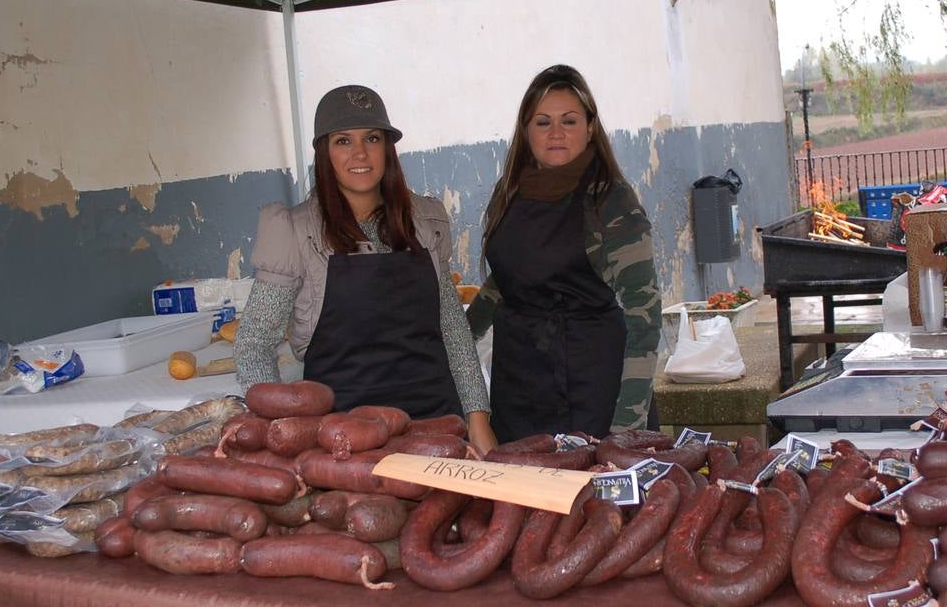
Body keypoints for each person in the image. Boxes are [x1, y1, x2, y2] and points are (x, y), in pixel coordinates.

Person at [235, 84, 496, 451]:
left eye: (372, 138)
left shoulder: (424, 221)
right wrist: (280, 427)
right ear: (324, 152)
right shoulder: (296, 232)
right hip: (341, 442)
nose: (360, 152)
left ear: (387, 148)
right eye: (343, 141)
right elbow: (254, 344)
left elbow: (452, 329)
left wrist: (478, 417)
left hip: (436, 427)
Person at [467, 64, 660, 443]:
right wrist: (458, 340)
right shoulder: (507, 195)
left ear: (590, 128)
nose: (555, 132)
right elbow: (506, 280)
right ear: (526, 130)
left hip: (594, 390)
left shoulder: (611, 201)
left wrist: (627, 428)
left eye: (569, 121)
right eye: (542, 122)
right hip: (518, 387)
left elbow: (644, 315)